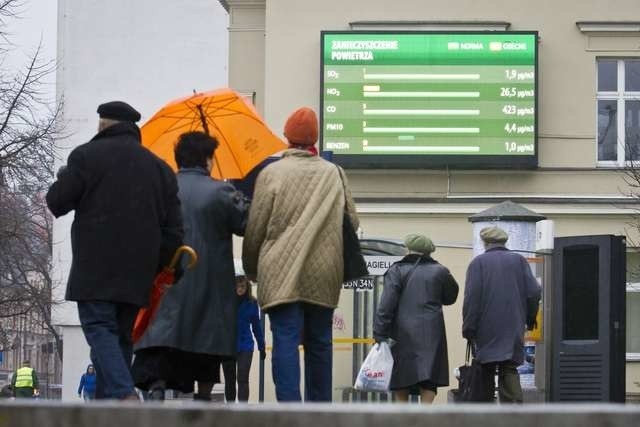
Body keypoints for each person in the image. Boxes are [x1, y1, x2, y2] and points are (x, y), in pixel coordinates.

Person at [46, 101, 184, 400]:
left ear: (102, 125)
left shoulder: (85, 157)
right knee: (120, 339)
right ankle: (110, 411)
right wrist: (161, 268)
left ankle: (124, 395)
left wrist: (64, 176)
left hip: (94, 271)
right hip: (138, 274)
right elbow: (174, 231)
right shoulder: (160, 169)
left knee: (99, 329)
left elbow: (57, 202)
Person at [242, 107, 359, 402]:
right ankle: (320, 412)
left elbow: (255, 227)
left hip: (279, 272)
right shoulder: (334, 173)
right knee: (320, 342)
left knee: (285, 340)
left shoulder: (271, 173)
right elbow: (352, 222)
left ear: (287, 138)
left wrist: (252, 268)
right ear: (314, 139)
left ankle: (289, 411)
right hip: (324, 272)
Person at [132, 131, 248, 401]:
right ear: (207, 159)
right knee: (207, 339)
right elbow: (246, 223)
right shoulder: (221, 192)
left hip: (165, 279)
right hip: (209, 283)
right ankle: (204, 394)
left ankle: (157, 385)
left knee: (161, 334)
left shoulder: (161, 187)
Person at [373, 234, 459, 404]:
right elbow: (450, 297)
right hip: (432, 333)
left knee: (401, 377)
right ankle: (424, 418)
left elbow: (386, 305)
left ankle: (403, 418)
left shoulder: (396, 270)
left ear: (408, 249)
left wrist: (379, 333)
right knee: (429, 377)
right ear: (428, 252)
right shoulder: (440, 271)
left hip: (402, 332)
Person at [462, 226, 541, 403]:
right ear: (504, 242)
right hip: (513, 324)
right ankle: (513, 414)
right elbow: (534, 292)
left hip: (486, 327)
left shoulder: (478, 263)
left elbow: (472, 298)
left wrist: (469, 328)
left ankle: (485, 414)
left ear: (485, 242)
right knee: (509, 367)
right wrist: (529, 318)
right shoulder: (519, 261)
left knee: (485, 368)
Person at [221, 262, 266, 403]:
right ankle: (230, 410)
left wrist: (262, 346)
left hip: (245, 346)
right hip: (227, 346)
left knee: (242, 378)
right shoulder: (224, 302)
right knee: (229, 379)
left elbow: (257, 327)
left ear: (247, 286)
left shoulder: (252, 304)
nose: (239, 289)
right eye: (237, 285)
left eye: (242, 286)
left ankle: (242, 410)